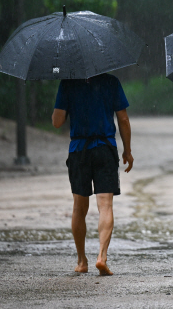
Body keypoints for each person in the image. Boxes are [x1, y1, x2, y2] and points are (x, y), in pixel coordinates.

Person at [52, 73, 133, 276]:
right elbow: (123, 119)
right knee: (105, 205)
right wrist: (127, 151)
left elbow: (57, 122)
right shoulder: (111, 81)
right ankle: (102, 257)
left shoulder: (68, 83)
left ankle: (81, 261)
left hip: (79, 150)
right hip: (105, 148)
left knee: (79, 208)